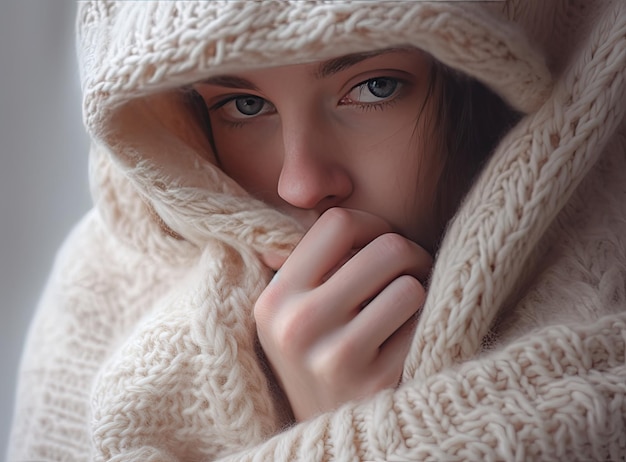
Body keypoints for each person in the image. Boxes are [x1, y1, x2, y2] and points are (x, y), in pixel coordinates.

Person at [8, 1, 626, 461]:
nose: (300, 185)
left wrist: (347, 436)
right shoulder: (99, 301)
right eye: (242, 106)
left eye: (374, 87)